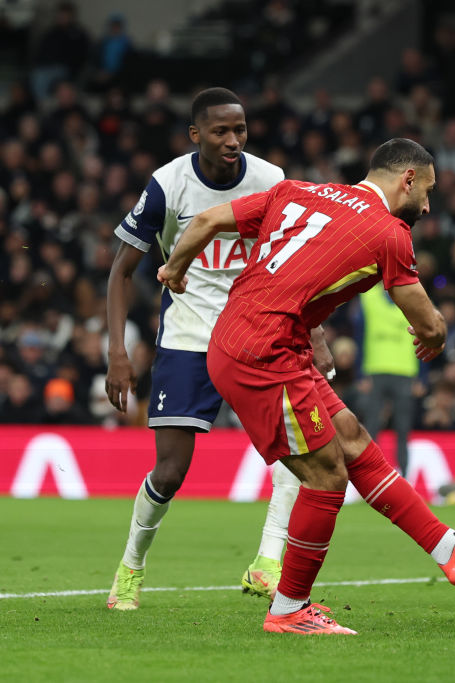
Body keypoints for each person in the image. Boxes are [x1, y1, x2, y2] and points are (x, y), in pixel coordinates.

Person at [157, 138, 455, 635]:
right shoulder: (388, 232)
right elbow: (428, 323)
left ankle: (448, 548)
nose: (428, 205)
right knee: (326, 478)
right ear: (407, 179)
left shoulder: (296, 191)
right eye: (427, 191)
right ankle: (288, 610)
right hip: (264, 355)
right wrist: (434, 337)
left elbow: (203, 222)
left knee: (350, 438)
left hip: (246, 339)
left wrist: (174, 268)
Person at [105, 87, 295, 610]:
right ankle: (131, 567)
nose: (233, 140)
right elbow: (121, 271)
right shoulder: (169, 185)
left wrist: (313, 333)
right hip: (188, 338)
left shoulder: (271, 181)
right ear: (196, 135)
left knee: (295, 449)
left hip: (255, 333)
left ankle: (268, 562)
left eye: (240, 130)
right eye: (220, 131)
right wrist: (117, 352)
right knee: (170, 471)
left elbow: (288, 262)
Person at [358, 282, 419, 475]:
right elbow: (360, 334)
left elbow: (423, 335)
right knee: (372, 426)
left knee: (402, 428)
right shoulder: (369, 296)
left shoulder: (413, 295)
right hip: (376, 370)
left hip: (404, 371)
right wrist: (361, 373)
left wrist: (421, 377)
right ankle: (370, 476)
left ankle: (405, 477)